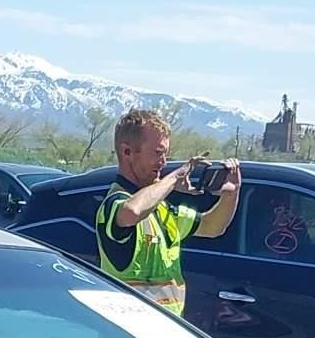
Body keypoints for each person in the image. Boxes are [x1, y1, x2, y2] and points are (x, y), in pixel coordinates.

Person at [92, 109, 239, 313]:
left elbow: (212, 227)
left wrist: (231, 194)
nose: (163, 162)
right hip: (127, 336)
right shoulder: (115, 202)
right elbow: (132, 212)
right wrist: (174, 178)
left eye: (165, 154)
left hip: (167, 330)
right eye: (157, 153)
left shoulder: (160, 208)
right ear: (126, 152)